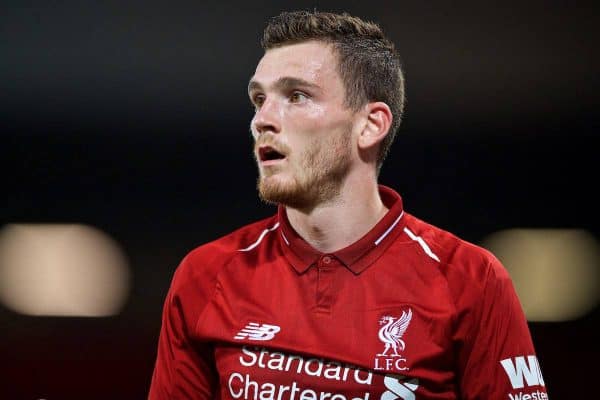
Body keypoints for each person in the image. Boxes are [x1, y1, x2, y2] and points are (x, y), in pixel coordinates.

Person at [148, 10, 548, 400]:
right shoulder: (206, 274)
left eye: (297, 95)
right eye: (258, 100)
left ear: (371, 124)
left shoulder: (471, 279)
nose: (262, 120)